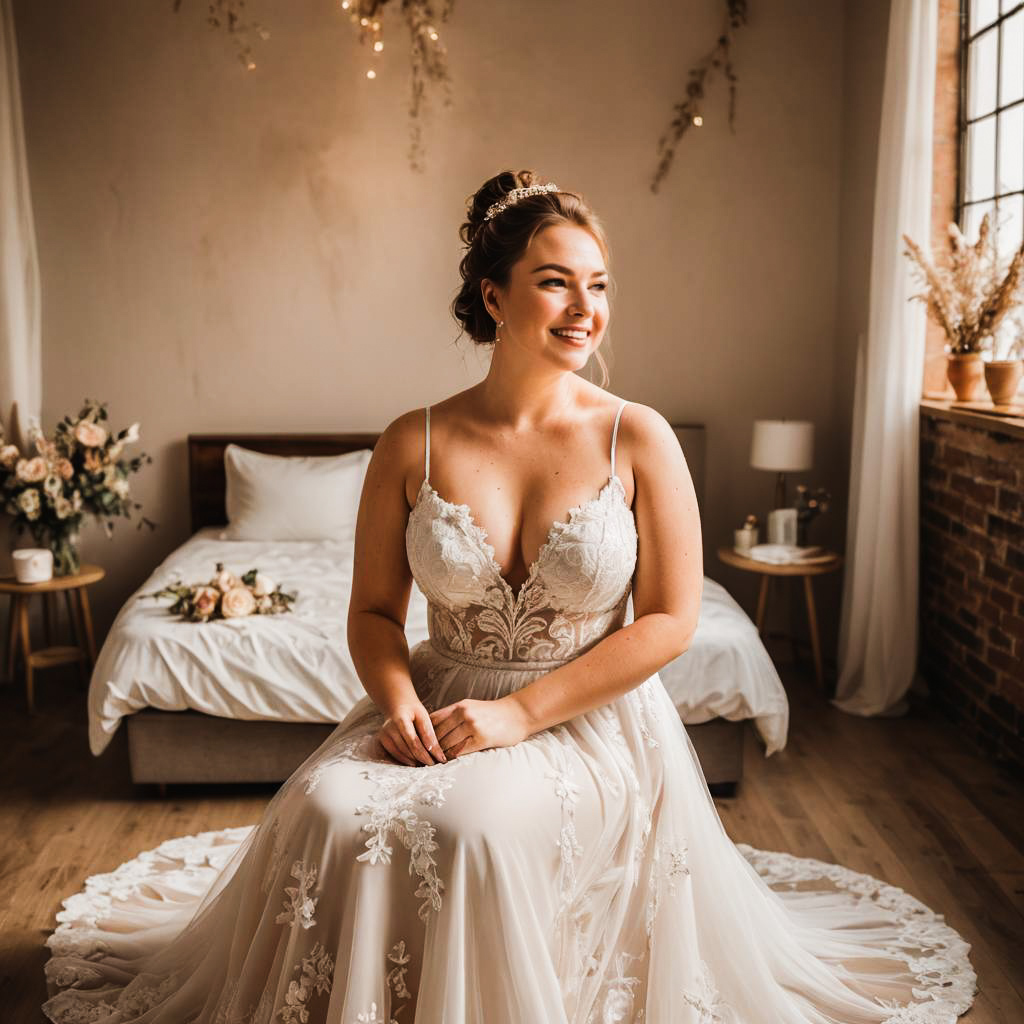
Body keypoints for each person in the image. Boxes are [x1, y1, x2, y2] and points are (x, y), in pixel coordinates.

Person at [42, 170, 975, 1024]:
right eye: (556, 281)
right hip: (436, 702)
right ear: (494, 296)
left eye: (599, 283)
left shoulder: (639, 438)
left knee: (469, 825)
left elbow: (671, 619)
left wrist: (520, 714)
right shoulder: (412, 440)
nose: (586, 308)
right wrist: (402, 703)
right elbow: (371, 611)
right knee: (326, 810)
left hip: (587, 717)